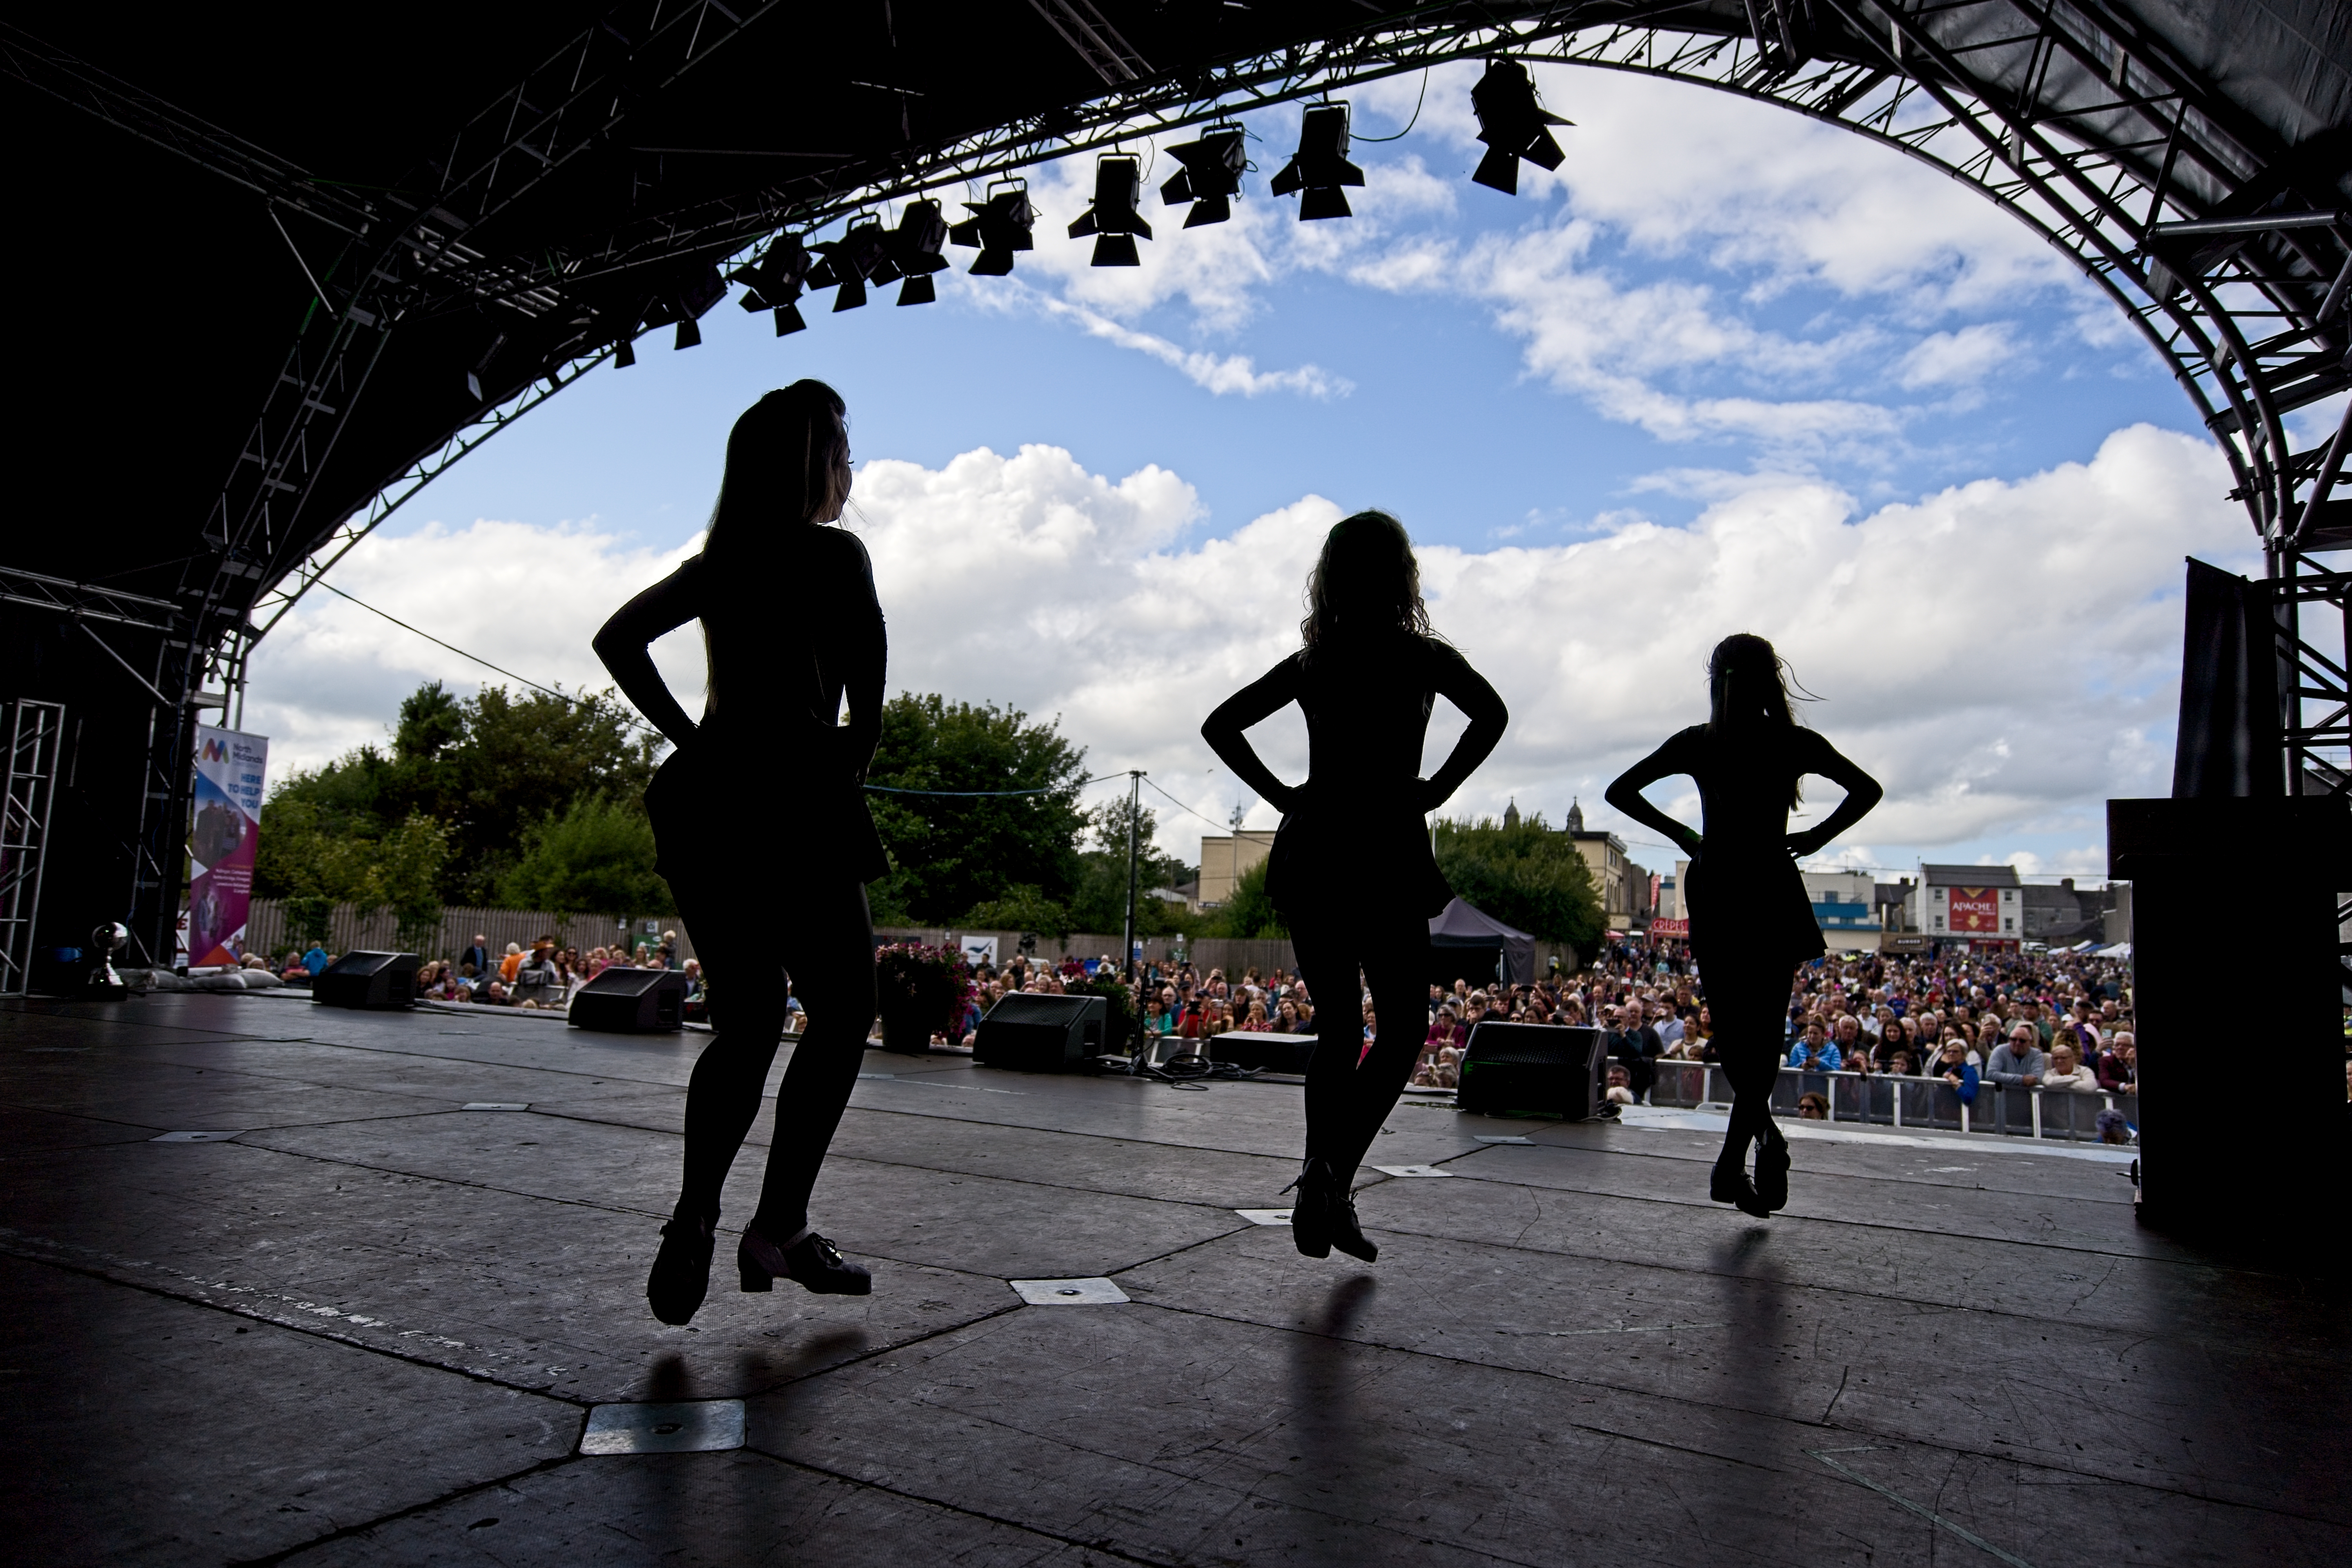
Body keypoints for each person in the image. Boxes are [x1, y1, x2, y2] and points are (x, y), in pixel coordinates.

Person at [594, 381, 886, 1324]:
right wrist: (846, 753)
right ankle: (780, 1225)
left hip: (709, 805)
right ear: (818, 464)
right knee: (843, 1011)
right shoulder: (838, 556)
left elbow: (618, 638)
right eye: (844, 450)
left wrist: (693, 737)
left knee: (748, 1022)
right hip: (796, 800)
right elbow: (867, 712)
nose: (852, 469)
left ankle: (693, 1218)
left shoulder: (720, 562)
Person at [1203, 509, 1506, 1263]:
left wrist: (1285, 796)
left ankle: (1322, 1176)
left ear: (1331, 577)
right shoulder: (1422, 658)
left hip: (1316, 843)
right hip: (1386, 843)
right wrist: (1434, 788)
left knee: (1339, 1027)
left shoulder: (1315, 662)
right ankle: (1331, 1176)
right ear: (1403, 575)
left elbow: (1221, 725)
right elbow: (1492, 715)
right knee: (1402, 1030)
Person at [1606, 633, 1881, 1218]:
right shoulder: (1792, 741)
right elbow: (1867, 789)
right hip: (1771, 884)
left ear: (1715, 679)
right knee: (1761, 1034)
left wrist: (1683, 836)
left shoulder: (1699, 743)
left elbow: (1620, 790)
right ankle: (1744, 1155)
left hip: (1718, 886)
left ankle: (1746, 1152)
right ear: (1771, 678)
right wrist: (1814, 838)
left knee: (1735, 1035)